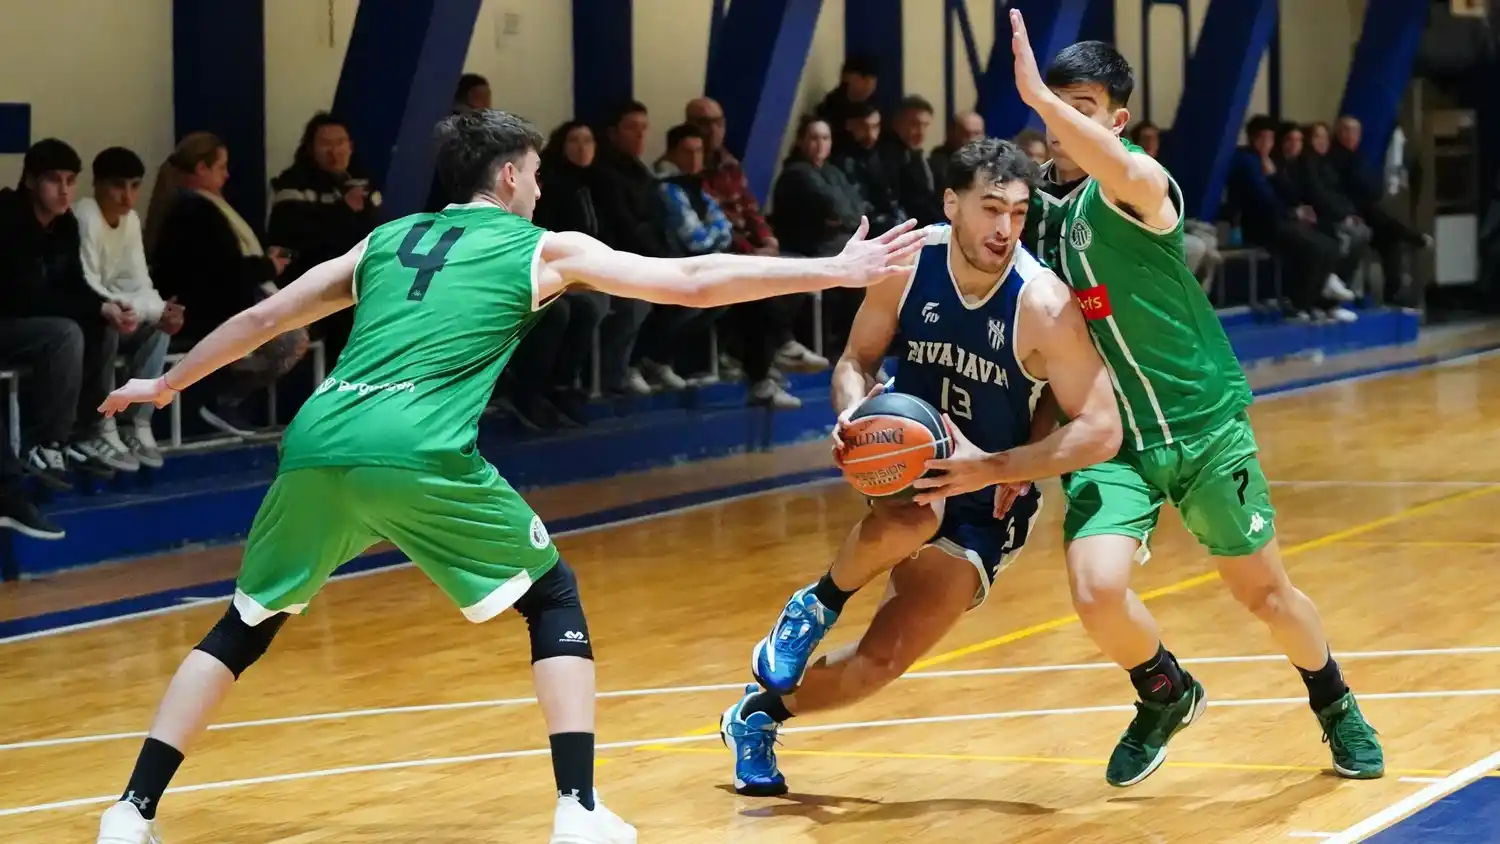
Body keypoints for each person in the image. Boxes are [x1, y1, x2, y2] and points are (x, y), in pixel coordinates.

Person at [93, 108, 927, 844]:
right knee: (551, 597)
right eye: (532, 175)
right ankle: (578, 809)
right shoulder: (539, 248)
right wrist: (831, 271)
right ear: (506, 176)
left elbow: (266, 317)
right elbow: (693, 280)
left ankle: (131, 809)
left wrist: (164, 383)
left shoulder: (386, 240)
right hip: (416, 445)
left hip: (318, 437)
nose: (538, 190)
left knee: (245, 623)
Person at [1009, 16, 1382, 786]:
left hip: (1205, 427)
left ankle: (1335, 703)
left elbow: (1126, 173)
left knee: (1268, 597)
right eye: (1055, 106)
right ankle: (1164, 691)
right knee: (1094, 588)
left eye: (1081, 106)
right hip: (1115, 441)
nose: (1062, 119)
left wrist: (1041, 102)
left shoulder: (1142, 187)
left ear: (1115, 121)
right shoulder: (1037, 222)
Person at [724, 137, 1122, 796]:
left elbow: (1102, 430)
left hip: (988, 493)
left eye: (1019, 214)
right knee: (915, 514)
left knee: (880, 663)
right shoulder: (907, 265)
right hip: (905, 460)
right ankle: (814, 605)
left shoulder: (1044, 305)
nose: (1004, 228)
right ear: (951, 203)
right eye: (991, 209)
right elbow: (856, 360)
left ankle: (756, 716)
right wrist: (854, 417)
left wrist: (998, 467)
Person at [77, 146, 181, 469]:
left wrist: (158, 310)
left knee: (160, 329)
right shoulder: (84, 215)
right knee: (108, 326)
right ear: (97, 185)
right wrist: (138, 307)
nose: (127, 196)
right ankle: (101, 424)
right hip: (87, 319)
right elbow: (89, 285)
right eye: (118, 186)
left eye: (135, 186)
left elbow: (140, 283)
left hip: (121, 315)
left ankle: (137, 423)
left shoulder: (131, 220)